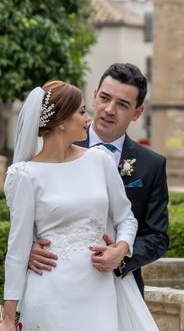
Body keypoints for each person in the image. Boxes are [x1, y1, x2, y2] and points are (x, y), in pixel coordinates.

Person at [0, 80, 159, 331]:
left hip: (99, 290)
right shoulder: (24, 175)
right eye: (82, 111)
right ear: (61, 120)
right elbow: (17, 250)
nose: (89, 117)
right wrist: (8, 318)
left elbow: (126, 218)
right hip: (49, 292)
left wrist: (121, 249)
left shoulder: (100, 160)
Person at [28, 63, 170, 296]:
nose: (109, 109)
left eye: (122, 104)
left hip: (122, 286)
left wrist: (122, 256)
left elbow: (157, 236)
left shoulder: (151, 165)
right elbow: (28, 212)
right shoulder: (51, 149)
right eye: (105, 98)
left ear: (137, 113)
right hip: (57, 281)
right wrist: (29, 248)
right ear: (94, 96)